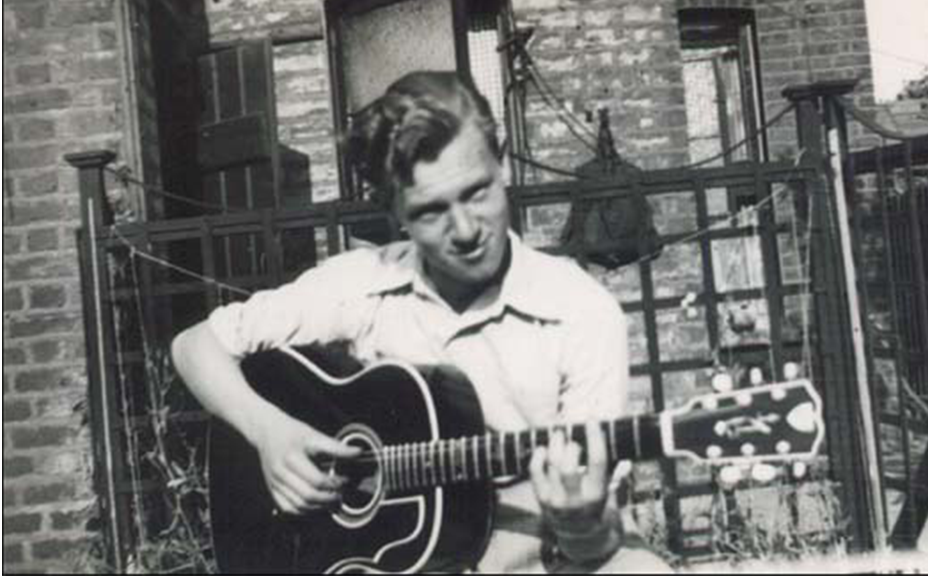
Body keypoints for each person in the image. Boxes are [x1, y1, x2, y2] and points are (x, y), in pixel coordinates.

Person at [172, 71, 673, 573]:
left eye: (477, 192)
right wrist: (270, 434)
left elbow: (594, 534)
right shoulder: (360, 284)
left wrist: (581, 523)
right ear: (395, 214)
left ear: (503, 169)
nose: (465, 230)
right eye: (431, 212)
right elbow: (195, 346)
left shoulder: (581, 311)